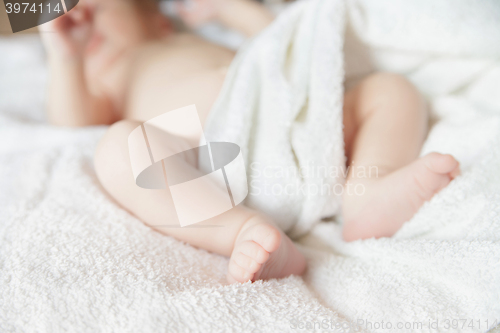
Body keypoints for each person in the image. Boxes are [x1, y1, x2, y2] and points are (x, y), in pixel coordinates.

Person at [40, 0, 460, 283]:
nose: (82, 18)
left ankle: (369, 191)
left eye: (100, 7)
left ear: (158, 19)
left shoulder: (178, 40)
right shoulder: (101, 83)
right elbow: (73, 125)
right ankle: (241, 231)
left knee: (390, 90)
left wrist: (228, 7)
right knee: (119, 147)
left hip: (294, 123)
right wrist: (66, 56)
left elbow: (285, 42)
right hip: (207, 158)